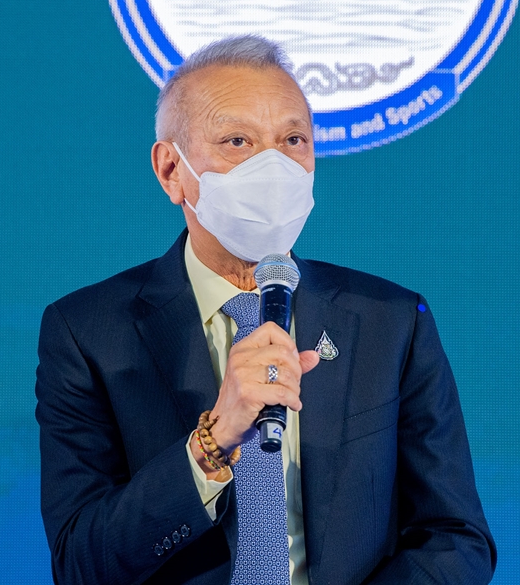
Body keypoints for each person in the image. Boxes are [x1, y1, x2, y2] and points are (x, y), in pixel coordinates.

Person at [35, 35, 496, 584]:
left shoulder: (391, 322)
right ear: (171, 170)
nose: (273, 167)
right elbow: (80, 564)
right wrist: (211, 443)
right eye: (238, 141)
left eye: (293, 140)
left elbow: (456, 539)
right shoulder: (88, 333)